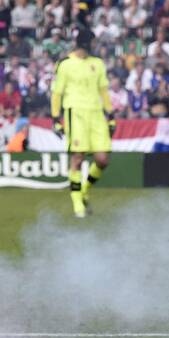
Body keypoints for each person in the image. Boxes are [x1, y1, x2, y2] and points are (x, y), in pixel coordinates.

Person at [50, 28, 114, 219]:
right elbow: (57, 93)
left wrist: (110, 114)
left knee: (102, 159)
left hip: (96, 114)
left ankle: (84, 190)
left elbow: (103, 90)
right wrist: (55, 118)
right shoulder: (65, 64)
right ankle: (78, 204)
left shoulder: (98, 64)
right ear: (86, 43)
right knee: (78, 157)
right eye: (93, 43)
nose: (95, 47)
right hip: (75, 112)